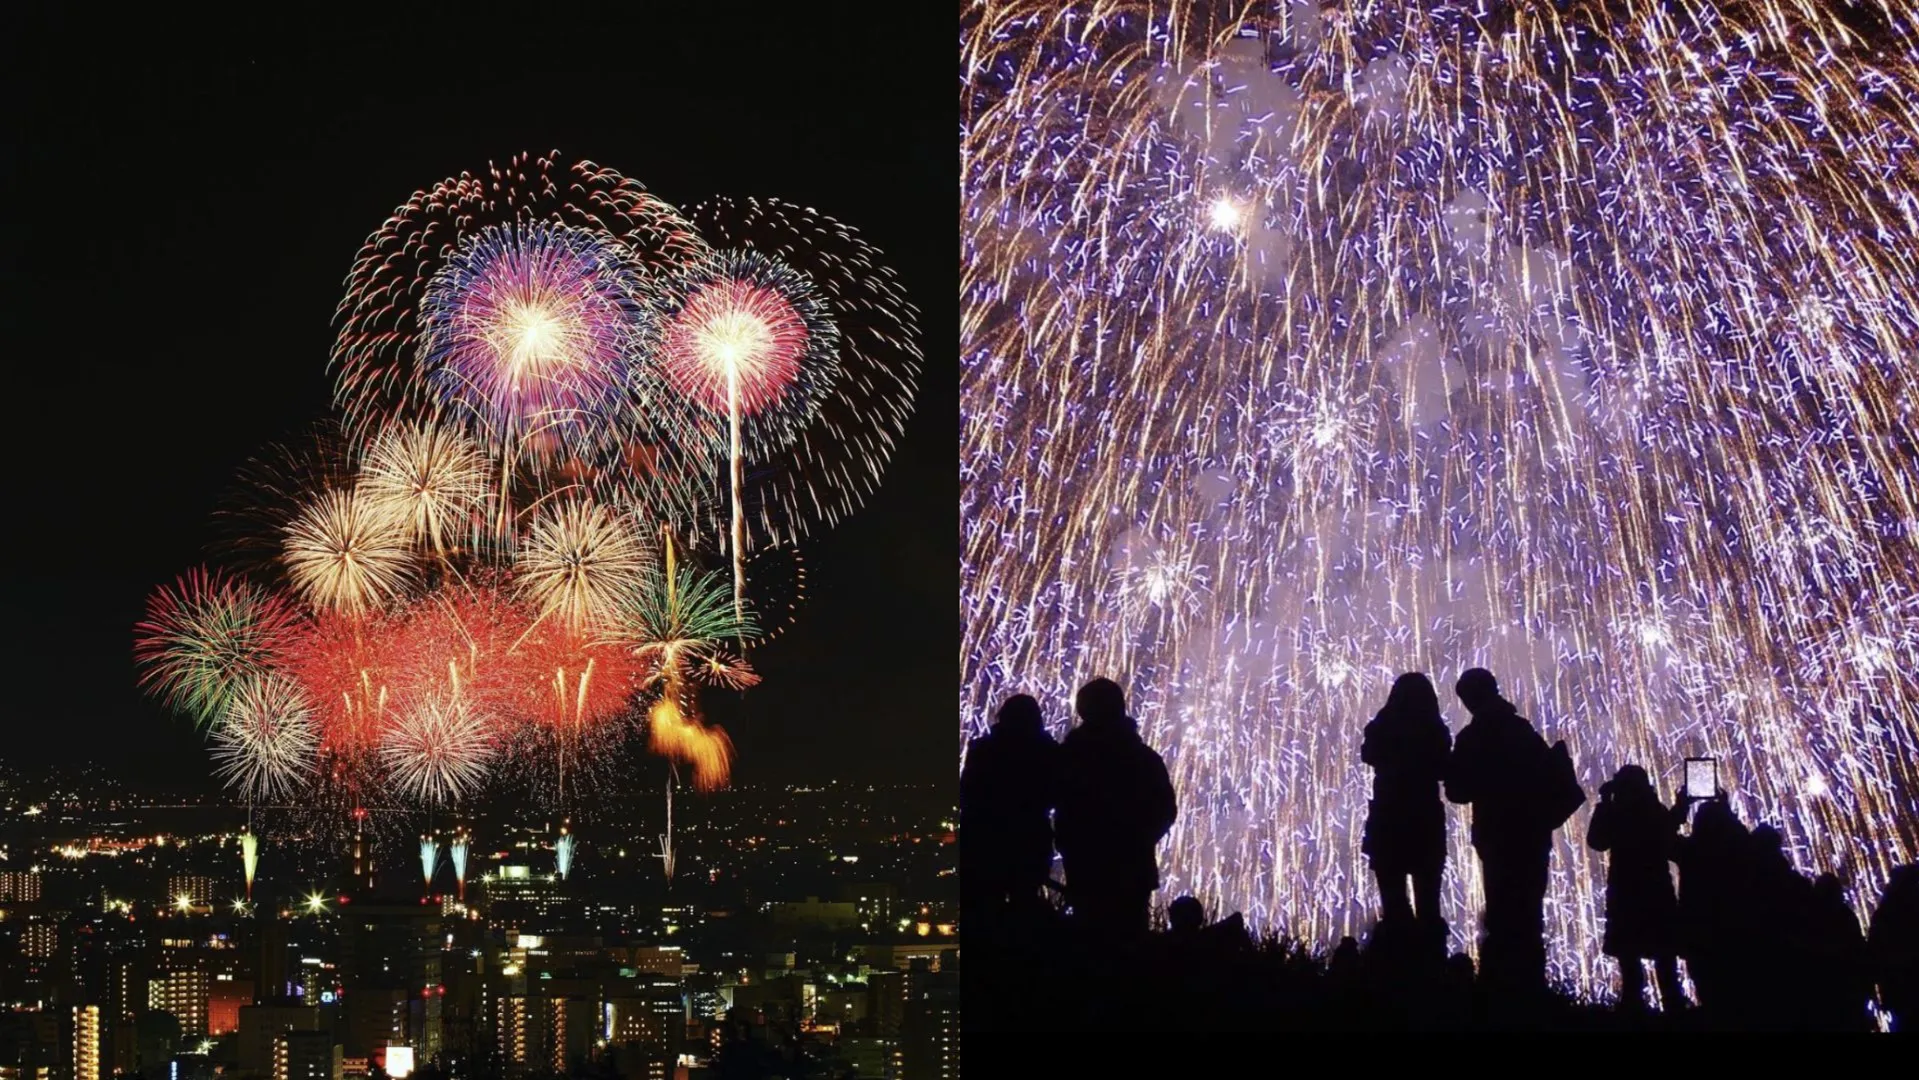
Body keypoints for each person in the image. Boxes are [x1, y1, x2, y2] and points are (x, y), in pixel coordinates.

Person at [1444, 667, 1576, 994]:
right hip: (1531, 837)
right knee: (1530, 914)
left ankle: (1501, 989)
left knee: (1502, 914)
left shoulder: (1472, 738)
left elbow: (1457, 792)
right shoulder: (1522, 731)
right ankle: (1531, 988)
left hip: (1497, 839)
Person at [1055, 677, 1177, 942]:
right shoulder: (1143, 758)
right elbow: (1166, 810)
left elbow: (1051, 801)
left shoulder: (1069, 757)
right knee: (1129, 947)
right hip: (1131, 869)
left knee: (1090, 944)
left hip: (1086, 866)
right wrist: (1139, 839)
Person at [1360, 673, 1453, 948]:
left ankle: (1397, 967)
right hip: (1426, 823)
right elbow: (1444, 768)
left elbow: (1369, 754)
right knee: (1429, 903)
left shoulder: (1382, 725)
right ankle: (1431, 965)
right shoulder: (1435, 730)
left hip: (1388, 821)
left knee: (1394, 902)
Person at [1586, 765, 1687, 1012]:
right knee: (1665, 964)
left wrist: (1605, 803)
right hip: (1655, 893)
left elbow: (1597, 841)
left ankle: (1634, 1013)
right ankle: (1674, 1014)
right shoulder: (1653, 810)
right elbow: (1668, 837)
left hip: (1626, 894)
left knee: (1632, 965)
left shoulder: (1617, 812)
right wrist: (1680, 808)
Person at [959, 695, 1062, 928]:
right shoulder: (1047, 752)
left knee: (983, 909)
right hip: (1029, 839)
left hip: (983, 840)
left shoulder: (983, 750)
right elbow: (1056, 795)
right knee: (1024, 905)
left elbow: (967, 793)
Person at [1868, 862, 1919, 1032]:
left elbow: (1874, 954)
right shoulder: (1890, 916)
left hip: (1899, 991)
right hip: (1903, 990)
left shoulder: (1884, 914)